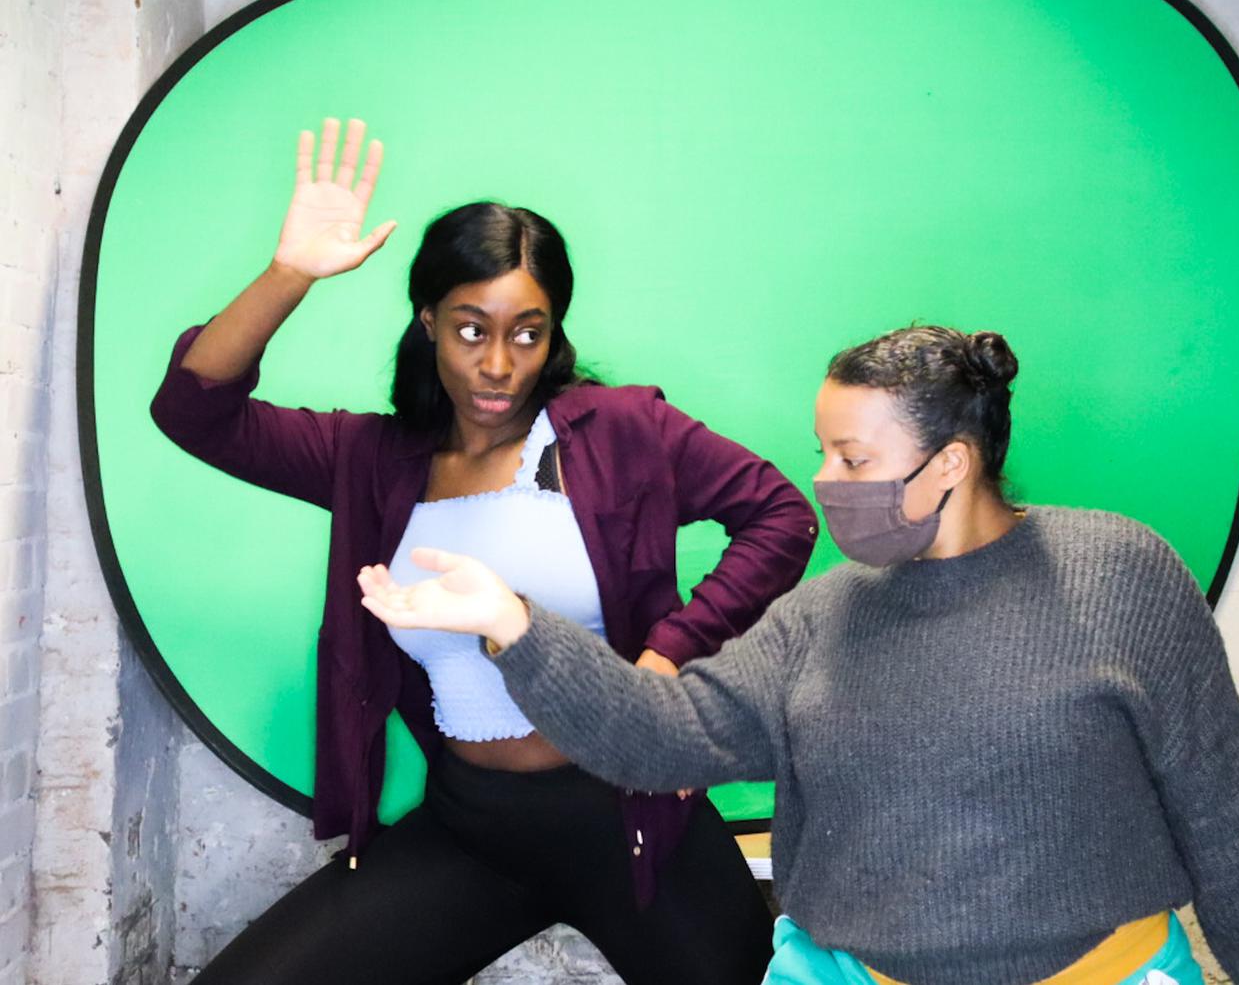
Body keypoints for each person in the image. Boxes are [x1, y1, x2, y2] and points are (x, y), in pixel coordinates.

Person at [358, 325, 1239, 985]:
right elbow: (662, 737)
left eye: (854, 459)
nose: (823, 480)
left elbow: (1235, 825)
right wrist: (516, 625)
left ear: (951, 464)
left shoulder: (1119, 574)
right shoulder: (820, 618)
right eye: (823, 450)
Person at [150, 118, 817, 984]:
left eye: (527, 332)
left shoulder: (620, 432)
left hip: (629, 816)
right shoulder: (375, 459)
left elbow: (779, 515)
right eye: (471, 329)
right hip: (474, 825)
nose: (500, 363)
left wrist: (667, 661)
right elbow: (191, 412)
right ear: (428, 320)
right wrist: (290, 277)